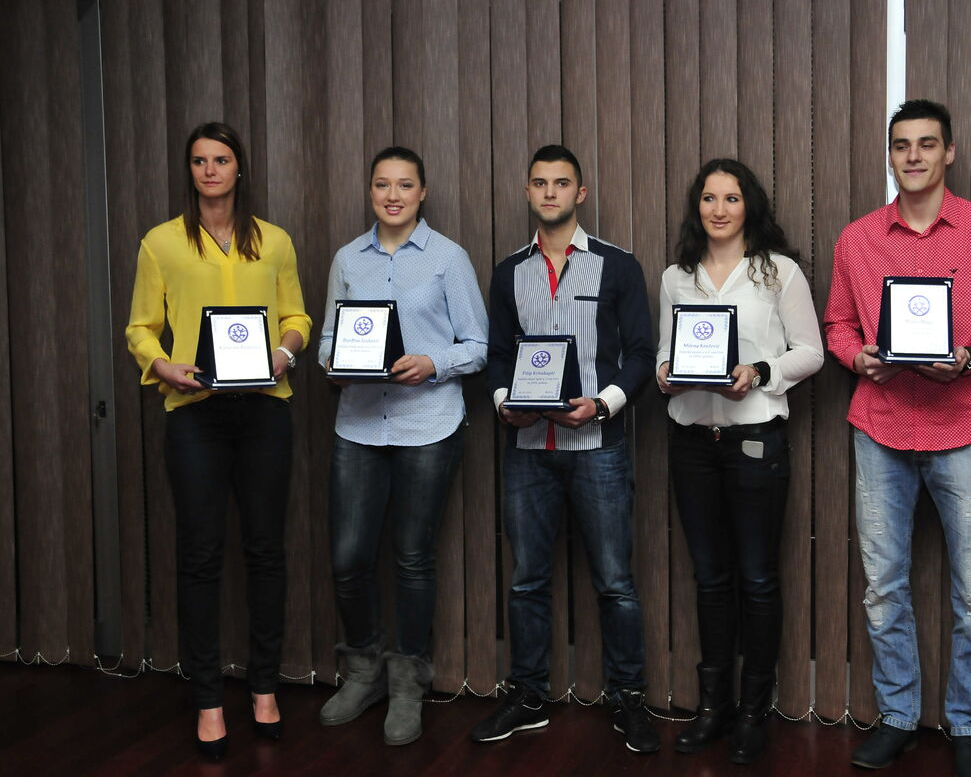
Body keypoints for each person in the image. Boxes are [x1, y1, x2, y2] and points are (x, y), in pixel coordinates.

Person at [823, 100, 971, 777]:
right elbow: (837, 326)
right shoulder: (857, 239)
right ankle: (897, 718)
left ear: (949, 153)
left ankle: (968, 724)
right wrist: (857, 357)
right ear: (890, 156)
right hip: (880, 427)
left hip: (965, 426)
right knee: (883, 588)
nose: (912, 156)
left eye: (926, 144)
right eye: (901, 145)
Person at [126, 121, 311, 760]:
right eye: (200, 160)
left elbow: (296, 317)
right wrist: (164, 365)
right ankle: (208, 700)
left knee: (265, 553)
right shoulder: (161, 243)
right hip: (195, 416)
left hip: (265, 413)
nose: (210, 170)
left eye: (221, 159)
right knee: (201, 557)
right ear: (191, 170)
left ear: (239, 168)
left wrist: (285, 354)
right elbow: (140, 327)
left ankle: (264, 689)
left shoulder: (275, 241)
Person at [470, 145, 659, 753]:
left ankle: (628, 699)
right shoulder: (508, 272)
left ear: (580, 193)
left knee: (615, 583)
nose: (549, 192)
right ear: (528, 192)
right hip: (528, 446)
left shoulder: (618, 266)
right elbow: (499, 354)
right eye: (539, 183)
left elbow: (641, 354)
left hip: (598, 445)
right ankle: (527, 696)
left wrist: (602, 404)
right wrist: (505, 401)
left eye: (561, 183)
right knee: (527, 580)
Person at [316, 146, 488, 745]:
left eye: (405, 185)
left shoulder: (448, 258)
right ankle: (364, 672)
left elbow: (478, 345)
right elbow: (329, 339)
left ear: (422, 192)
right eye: (382, 185)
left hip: (428, 424)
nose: (393, 195)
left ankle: (409, 682)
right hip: (359, 425)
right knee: (349, 557)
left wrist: (433, 363)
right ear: (370, 192)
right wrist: (335, 366)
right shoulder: (347, 259)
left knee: (413, 559)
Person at [656, 159, 823, 764]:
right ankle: (713, 708)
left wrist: (759, 372)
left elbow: (811, 352)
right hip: (692, 442)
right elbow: (663, 350)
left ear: (749, 204)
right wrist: (664, 374)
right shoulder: (677, 277)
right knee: (710, 578)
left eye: (731, 198)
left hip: (755, 442)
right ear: (696, 206)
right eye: (709, 198)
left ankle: (753, 712)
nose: (719, 209)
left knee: (756, 578)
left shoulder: (778, 272)